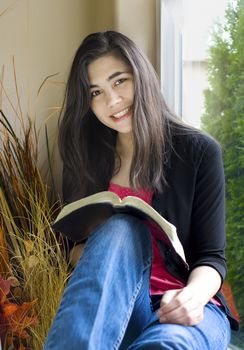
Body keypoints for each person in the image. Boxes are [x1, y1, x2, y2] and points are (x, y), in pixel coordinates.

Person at [44, 31, 238, 349]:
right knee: (121, 228)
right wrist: (102, 248)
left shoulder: (199, 152)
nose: (112, 101)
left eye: (119, 81)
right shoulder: (86, 157)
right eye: (95, 92)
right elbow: (73, 249)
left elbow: (212, 258)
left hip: (184, 307)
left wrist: (192, 297)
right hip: (116, 306)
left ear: (141, 75)